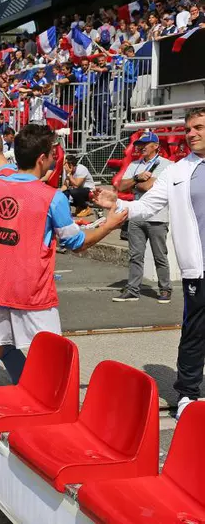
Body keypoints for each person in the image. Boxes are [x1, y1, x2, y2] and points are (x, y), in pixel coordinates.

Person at [0, 124, 127, 391]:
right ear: (42, 158)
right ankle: (49, 418)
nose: (54, 158)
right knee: (53, 360)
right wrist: (109, 225)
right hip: (32, 293)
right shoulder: (51, 197)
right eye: (52, 154)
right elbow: (76, 243)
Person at [96, 109, 205, 420]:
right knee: (196, 332)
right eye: (188, 128)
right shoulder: (177, 172)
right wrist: (116, 203)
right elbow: (144, 207)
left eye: (198, 127)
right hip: (199, 270)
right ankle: (187, 394)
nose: (191, 133)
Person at [113, 132, 174, 303]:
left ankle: (165, 289)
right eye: (140, 144)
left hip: (157, 216)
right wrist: (136, 178)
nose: (142, 147)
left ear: (156, 146)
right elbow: (121, 186)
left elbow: (150, 187)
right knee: (135, 255)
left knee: (159, 255)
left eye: (146, 143)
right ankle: (132, 290)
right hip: (137, 215)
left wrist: (135, 185)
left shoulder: (167, 165)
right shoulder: (134, 165)